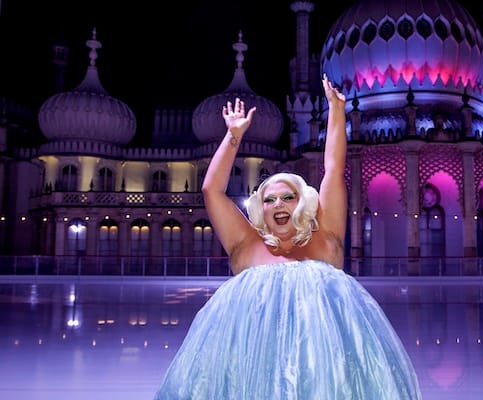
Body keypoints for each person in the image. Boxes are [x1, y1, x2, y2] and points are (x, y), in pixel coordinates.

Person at [154, 75, 422, 399]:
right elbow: (212, 190)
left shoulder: (325, 239)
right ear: (261, 208)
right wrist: (233, 136)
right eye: (269, 199)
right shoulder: (246, 245)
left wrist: (337, 110)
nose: (278, 204)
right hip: (254, 371)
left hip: (321, 372)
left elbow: (333, 169)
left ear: (303, 203)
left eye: (287, 197)